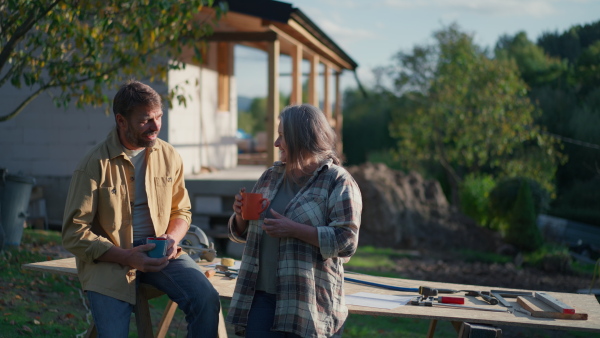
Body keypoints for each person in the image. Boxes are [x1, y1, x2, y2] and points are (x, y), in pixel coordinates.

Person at [62, 80, 221, 337]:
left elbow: (182, 211)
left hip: (161, 251)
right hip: (109, 259)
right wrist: (127, 257)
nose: (156, 126)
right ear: (121, 121)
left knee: (206, 299)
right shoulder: (93, 164)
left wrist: (172, 238)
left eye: (159, 117)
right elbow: (74, 233)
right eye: (146, 120)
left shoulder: (169, 155)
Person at [226, 103, 363, 337]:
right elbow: (244, 233)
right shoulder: (271, 175)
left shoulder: (338, 182)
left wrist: (294, 229)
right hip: (260, 297)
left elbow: (346, 241)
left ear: (302, 138)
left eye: (282, 136)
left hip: (308, 303)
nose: (276, 143)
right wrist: (240, 215)